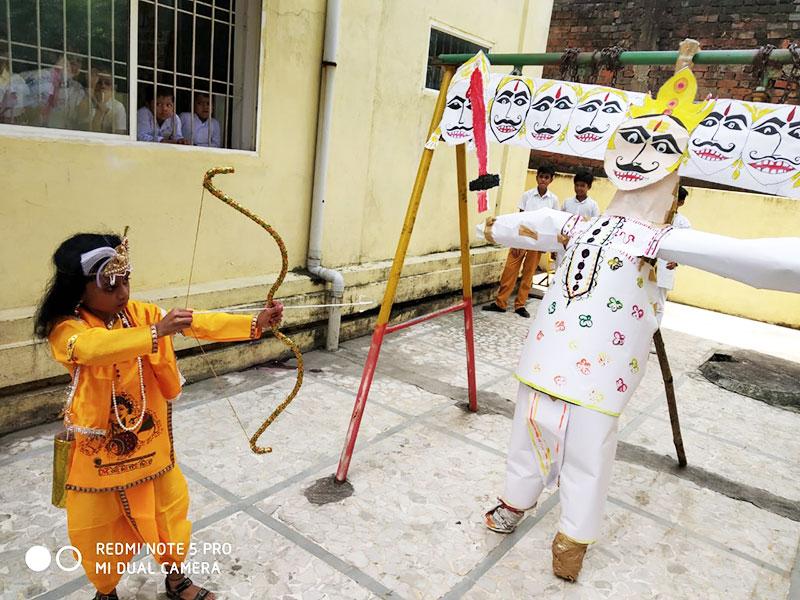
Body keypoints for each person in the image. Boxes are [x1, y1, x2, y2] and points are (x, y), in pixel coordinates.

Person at [35, 233, 283, 600]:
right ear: (80, 290)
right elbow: (90, 348)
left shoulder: (142, 315)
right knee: (96, 528)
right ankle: (105, 591)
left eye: (125, 280)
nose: (122, 293)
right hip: (99, 454)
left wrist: (255, 323)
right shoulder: (68, 328)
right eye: (109, 284)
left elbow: (198, 322)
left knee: (169, 513)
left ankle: (176, 579)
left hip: (151, 447)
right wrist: (154, 333)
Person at [482, 163, 559, 318]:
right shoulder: (527, 195)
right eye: (541, 176)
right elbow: (519, 218)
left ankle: (520, 305)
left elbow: (552, 225)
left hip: (537, 239)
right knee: (510, 270)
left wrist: (546, 245)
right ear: (537, 177)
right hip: (522, 235)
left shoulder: (553, 200)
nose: (543, 180)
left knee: (529, 273)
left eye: (546, 177)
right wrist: (515, 241)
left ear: (551, 180)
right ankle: (500, 302)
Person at [77, 67, 127, 134]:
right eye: (99, 82)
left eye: (107, 83)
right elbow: (84, 132)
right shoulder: (86, 102)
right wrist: (99, 112)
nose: (103, 86)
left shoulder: (118, 107)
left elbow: (119, 135)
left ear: (114, 87)